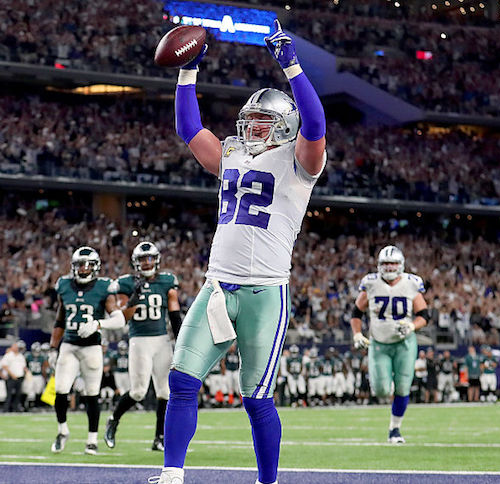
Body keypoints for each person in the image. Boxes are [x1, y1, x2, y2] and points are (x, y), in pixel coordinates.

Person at [153, 18, 327, 484]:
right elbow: (189, 127)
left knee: (256, 398)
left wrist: (292, 67)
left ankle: (267, 481)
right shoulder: (232, 152)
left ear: (285, 126)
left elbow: (316, 123)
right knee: (181, 379)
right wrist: (188, 70)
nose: (252, 128)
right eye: (248, 121)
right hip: (217, 286)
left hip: (264, 292)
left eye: (263, 121)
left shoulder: (300, 162)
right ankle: (172, 473)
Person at [105, 241, 181, 451]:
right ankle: (113, 420)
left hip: (162, 340)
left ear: (156, 259)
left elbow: (174, 314)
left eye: (150, 258)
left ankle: (159, 438)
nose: (147, 263)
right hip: (139, 341)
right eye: (142, 259)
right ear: (135, 262)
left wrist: (181, 342)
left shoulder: (167, 281)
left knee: (165, 391)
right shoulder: (126, 283)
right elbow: (122, 317)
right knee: (138, 392)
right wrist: (135, 297)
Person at [48, 246, 125, 455]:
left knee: (92, 394)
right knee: (61, 390)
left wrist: (98, 324)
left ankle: (92, 440)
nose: (84, 269)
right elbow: (60, 319)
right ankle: (62, 431)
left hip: (92, 347)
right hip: (69, 345)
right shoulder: (64, 285)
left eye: (88, 265)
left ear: (95, 267)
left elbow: (119, 319)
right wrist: (53, 347)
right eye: (80, 265)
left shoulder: (104, 287)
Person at [351, 245, 430, 444]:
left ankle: (395, 429)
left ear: (400, 264)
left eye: (393, 263)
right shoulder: (371, 283)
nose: (389, 267)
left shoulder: (411, 283)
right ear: (379, 265)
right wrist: (357, 333)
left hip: (404, 344)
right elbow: (356, 312)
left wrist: (412, 326)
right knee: (381, 390)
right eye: (385, 263)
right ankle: (390, 384)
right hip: (379, 343)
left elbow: (424, 315)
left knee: (403, 388)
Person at [0, 342, 26, 413]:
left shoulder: (21, 356)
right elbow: (4, 366)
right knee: (9, 394)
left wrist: (27, 373)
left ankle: (16, 408)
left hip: (19, 377)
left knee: (18, 394)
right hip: (11, 377)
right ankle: (6, 409)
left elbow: (24, 366)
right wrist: (12, 374)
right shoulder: (8, 355)